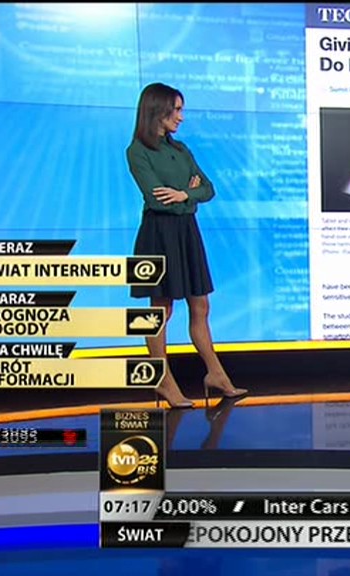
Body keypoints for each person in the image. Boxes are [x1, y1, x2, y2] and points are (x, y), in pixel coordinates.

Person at [126, 82, 247, 409]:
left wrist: (183, 194)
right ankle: (163, 380)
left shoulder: (181, 150)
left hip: (186, 232)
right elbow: (157, 199)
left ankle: (216, 375)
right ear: (158, 110)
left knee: (200, 305)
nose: (181, 116)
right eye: (176, 110)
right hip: (159, 234)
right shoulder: (137, 151)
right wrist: (187, 194)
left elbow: (208, 188)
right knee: (161, 309)